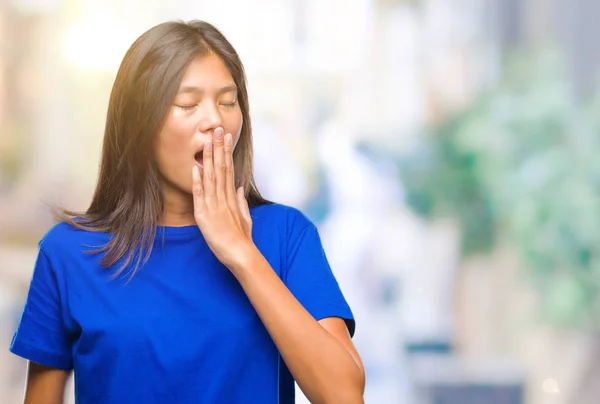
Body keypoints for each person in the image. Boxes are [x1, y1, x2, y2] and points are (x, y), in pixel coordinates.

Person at [9, 20, 365, 404]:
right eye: (187, 104)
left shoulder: (285, 236)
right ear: (139, 122)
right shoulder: (67, 254)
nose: (215, 121)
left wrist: (242, 254)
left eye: (228, 102)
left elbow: (343, 396)